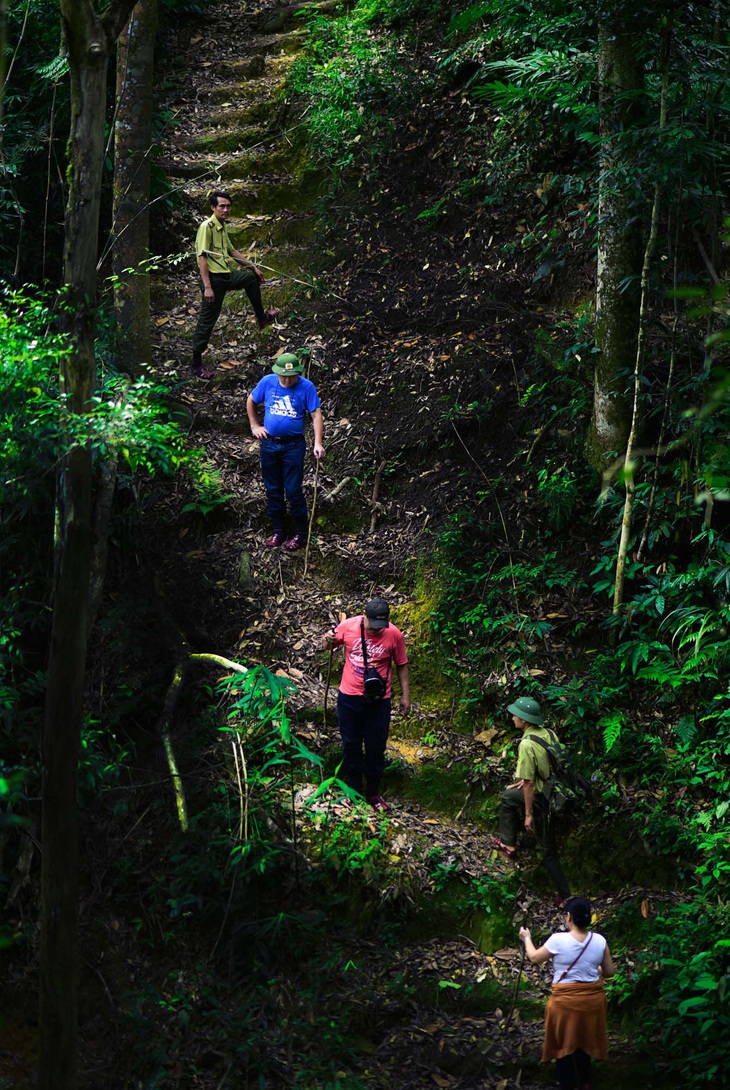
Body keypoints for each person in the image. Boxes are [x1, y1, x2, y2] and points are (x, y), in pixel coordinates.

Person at [321, 598, 411, 811]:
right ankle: (353, 790)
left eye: (381, 626)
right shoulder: (348, 627)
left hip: (379, 701)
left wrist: (405, 696)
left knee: (375, 746)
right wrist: (327, 639)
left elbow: (402, 665)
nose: (378, 631)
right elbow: (327, 646)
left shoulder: (394, 635)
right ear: (364, 615)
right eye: (373, 626)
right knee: (351, 744)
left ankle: (373, 793)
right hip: (349, 697)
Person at [519, 897, 616, 1090]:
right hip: (592, 1003)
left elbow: (534, 958)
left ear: (569, 917)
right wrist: (591, 969)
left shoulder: (558, 939)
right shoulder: (600, 941)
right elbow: (609, 973)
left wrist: (526, 938)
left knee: (563, 1046)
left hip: (565, 1004)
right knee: (584, 1040)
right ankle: (585, 1081)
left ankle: (568, 1084)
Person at [490, 696, 571, 905]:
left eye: (516, 714)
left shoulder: (526, 744)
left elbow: (527, 784)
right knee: (509, 795)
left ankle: (565, 894)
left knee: (548, 850)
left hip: (542, 799)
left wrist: (528, 814)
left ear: (524, 720)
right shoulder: (548, 733)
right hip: (557, 790)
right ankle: (509, 843)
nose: (513, 717)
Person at [191, 190, 279, 377]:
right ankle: (196, 364)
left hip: (225, 276)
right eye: (221, 206)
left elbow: (233, 252)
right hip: (213, 280)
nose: (225, 209)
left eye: (228, 206)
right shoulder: (206, 227)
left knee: (251, 278)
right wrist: (207, 287)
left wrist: (253, 267)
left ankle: (262, 318)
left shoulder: (222, 227)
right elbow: (202, 258)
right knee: (207, 321)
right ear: (213, 208)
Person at [246, 352, 325, 551]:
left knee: (293, 490)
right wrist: (255, 426)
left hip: (293, 445)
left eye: (292, 376)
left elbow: (316, 414)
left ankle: (301, 533)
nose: (288, 380)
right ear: (277, 373)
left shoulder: (306, 386)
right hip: (270, 443)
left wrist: (318, 443)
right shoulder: (267, 382)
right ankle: (278, 531)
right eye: (284, 376)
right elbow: (251, 400)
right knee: (273, 489)